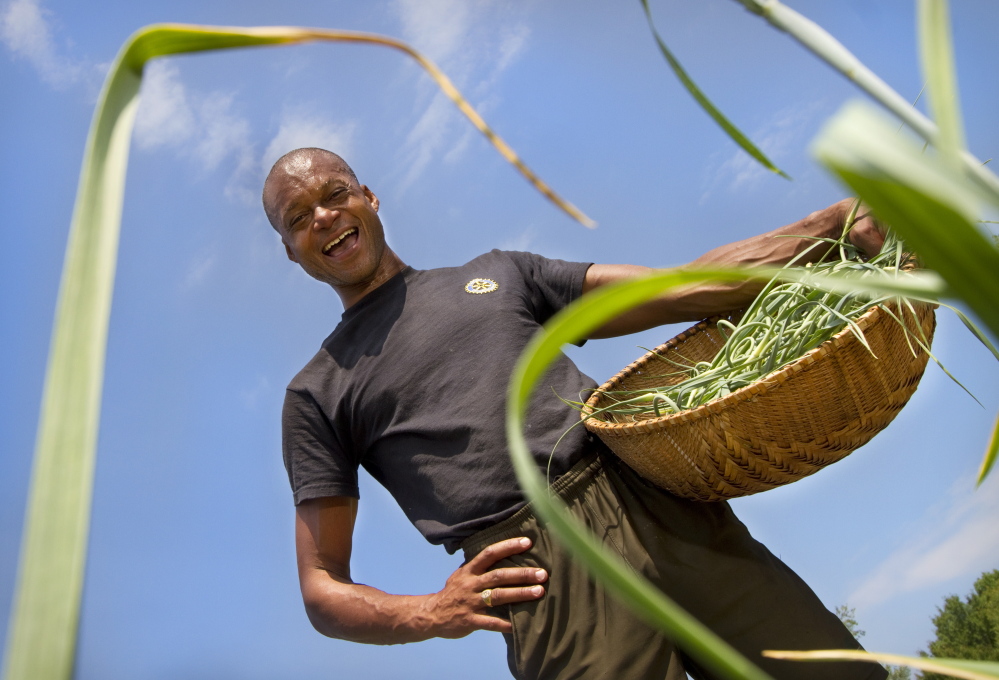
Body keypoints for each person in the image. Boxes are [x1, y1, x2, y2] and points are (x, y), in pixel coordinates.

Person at [263, 146, 888, 680]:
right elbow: (321, 587)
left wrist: (825, 230)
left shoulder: (500, 274)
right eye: (298, 218)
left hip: (653, 500)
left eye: (335, 193)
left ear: (369, 197)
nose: (324, 216)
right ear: (291, 251)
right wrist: (431, 611)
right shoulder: (317, 393)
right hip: (540, 576)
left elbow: (673, 288)